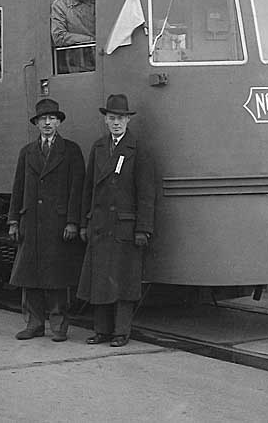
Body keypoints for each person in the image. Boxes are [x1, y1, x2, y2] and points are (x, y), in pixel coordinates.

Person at [78, 93, 156, 348]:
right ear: (105, 121)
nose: (116, 123)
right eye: (112, 118)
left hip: (125, 227)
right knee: (100, 280)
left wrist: (143, 228)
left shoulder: (138, 149)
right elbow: (88, 189)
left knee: (123, 282)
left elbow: (146, 193)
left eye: (121, 118)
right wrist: (84, 223)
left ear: (128, 121)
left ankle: (121, 332)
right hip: (100, 225)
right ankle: (101, 331)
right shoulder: (98, 148)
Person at [7, 98, 86, 342]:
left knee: (57, 277)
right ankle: (34, 324)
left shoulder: (71, 151)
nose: (47, 123)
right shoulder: (27, 152)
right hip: (31, 222)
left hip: (58, 224)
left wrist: (73, 221)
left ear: (59, 122)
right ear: (37, 124)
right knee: (29, 276)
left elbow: (78, 189)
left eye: (52, 118)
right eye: (43, 119)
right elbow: (18, 188)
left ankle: (59, 326)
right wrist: (13, 221)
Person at [51, 0, 96, 73]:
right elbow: (59, 36)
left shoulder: (96, 2)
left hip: (100, 60)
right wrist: (91, 40)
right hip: (75, 65)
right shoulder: (60, 5)